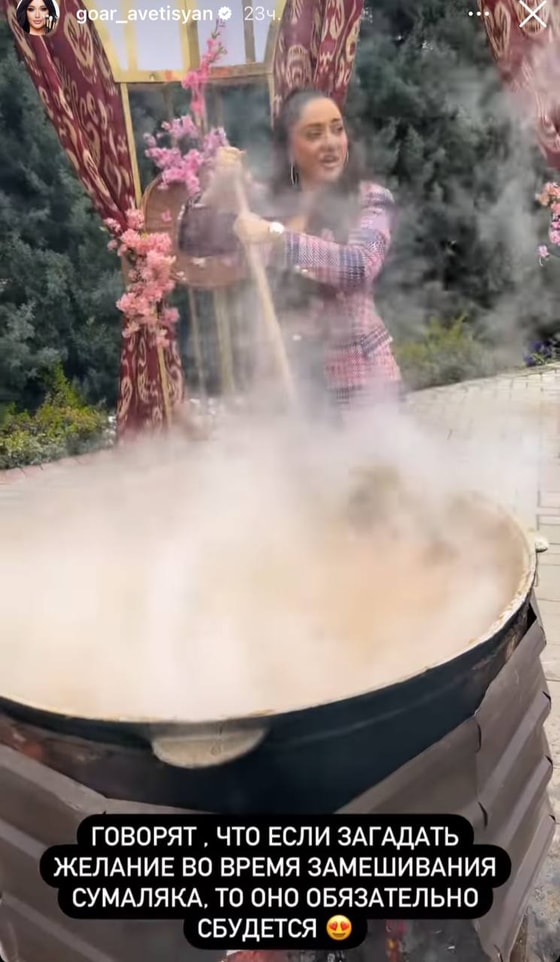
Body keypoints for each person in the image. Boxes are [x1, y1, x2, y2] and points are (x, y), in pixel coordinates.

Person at [201, 87, 402, 418]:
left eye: (337, 129)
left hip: (362, 391)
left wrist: (276, 236)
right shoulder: (266, 201)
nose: (331, 142)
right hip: (284, 385)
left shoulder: (371, 199)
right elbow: (195, 241)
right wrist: (218, 187)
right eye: (314, 134)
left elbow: (358, 266)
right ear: (289, 148)